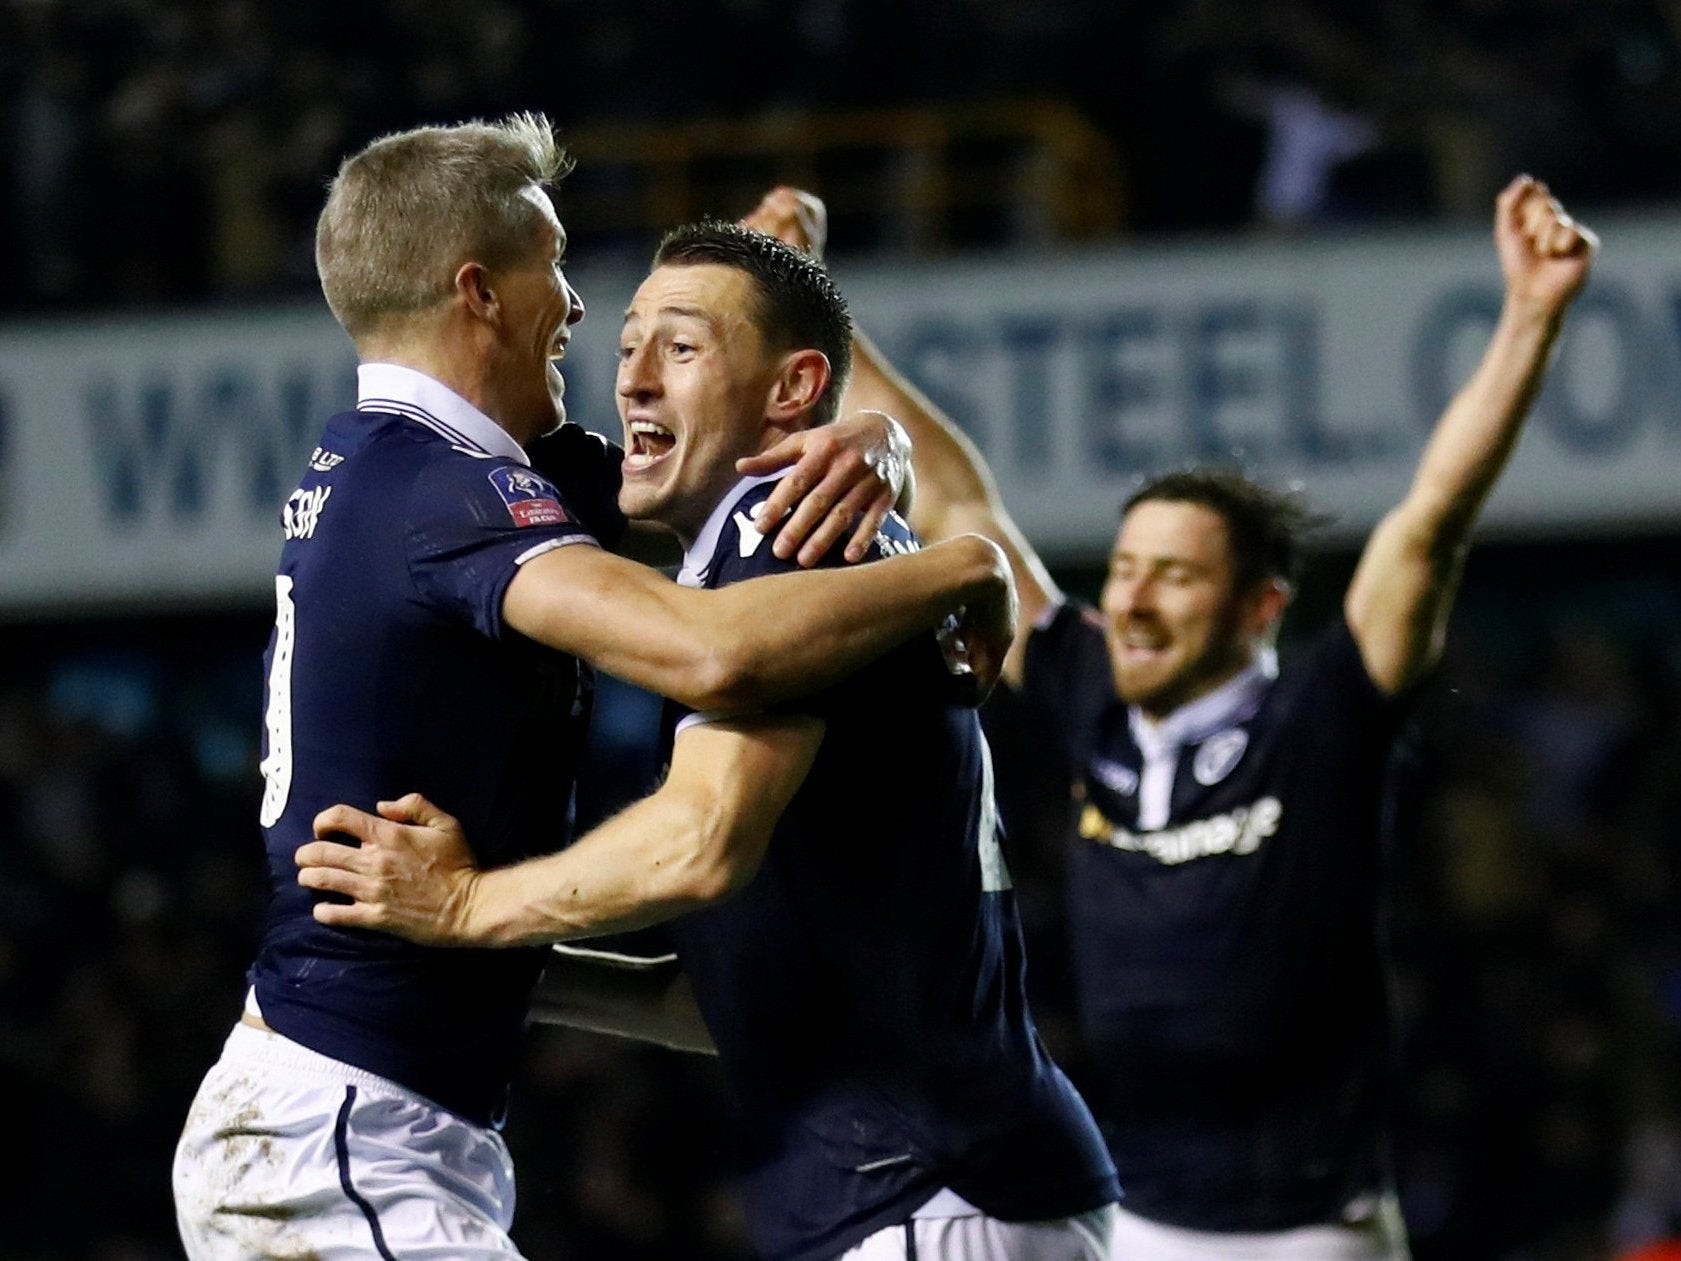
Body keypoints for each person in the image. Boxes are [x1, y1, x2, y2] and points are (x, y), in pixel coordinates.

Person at [170, 115, 1016, 1261]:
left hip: (367, 1128)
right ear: (480, 292)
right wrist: (963, 565)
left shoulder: (437, 469)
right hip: (335, 1140)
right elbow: (715, 651)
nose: (573, 307)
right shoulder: (444, 494)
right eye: (554, 263)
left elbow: (719, 466)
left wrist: (865, 432)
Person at [742, 178, 1596, 1258]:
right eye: (1127, 569)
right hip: (1137, 1219)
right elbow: (963, 511)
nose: (1133, 599)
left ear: (1260, 608)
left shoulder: (1319, 719)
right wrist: (814, 301)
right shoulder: (1092, 690)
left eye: (1176, 578)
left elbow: (1427, 527)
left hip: (1306, 1231)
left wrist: (1530, 315)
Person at [295, 217, 1122, 1261]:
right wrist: (493, 958)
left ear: (792, 390)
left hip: (934, 1189)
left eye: (678, 348)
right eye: (628, 342)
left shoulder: (781, 534)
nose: (632, 379)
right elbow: (732, 994)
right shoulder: (762, 561)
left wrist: (467, 904)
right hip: (955, 1184)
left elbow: (696, 845)